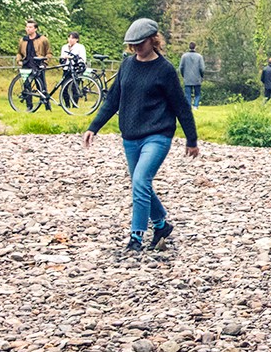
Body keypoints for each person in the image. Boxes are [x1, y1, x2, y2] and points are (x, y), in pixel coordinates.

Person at [83, 18, 199, 252]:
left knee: (140, 181)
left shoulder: (165, 70)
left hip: (157, 135)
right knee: (140, 184)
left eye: (140, 43)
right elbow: (113, 99)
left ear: (153, 40)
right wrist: (94, 127)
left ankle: (136, 237)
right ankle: (162, 225)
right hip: (131, 136)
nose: (136, 48)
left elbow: (181, 106)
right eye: (132, 44)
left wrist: (191, 139)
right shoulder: (127, 66)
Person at [18, 20, 52, 105]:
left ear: (35, 29)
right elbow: (19, 52)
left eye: (30, 27)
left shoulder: (43, 39)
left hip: (38, 65)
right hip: (27, 64)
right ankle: (29, 105)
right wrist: (19, 61)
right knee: (26, 85)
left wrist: (45, 63)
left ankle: (47, 105)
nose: (28, 29)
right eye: (27, 27)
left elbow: (49, 53)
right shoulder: (23, 40)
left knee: (42, 86)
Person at [178, 42, 205, 108]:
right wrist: (201, 76)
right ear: (195, 47)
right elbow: (202, 68)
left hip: (187, 78)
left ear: (189, 47)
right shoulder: (199, 56)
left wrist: (183, 75)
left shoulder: (184, 56)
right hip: (197, 78)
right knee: (197, 94)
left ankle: (188, 106)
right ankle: (195, 105)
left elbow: (181, 67)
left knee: (188, 94)